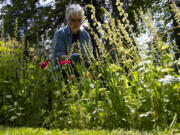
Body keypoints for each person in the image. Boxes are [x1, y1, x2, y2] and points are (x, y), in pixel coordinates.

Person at [50, 4, 92, 80]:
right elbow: (58, 56)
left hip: (82, 72)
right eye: (73, 20)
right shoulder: (60, 34)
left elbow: (89, 55)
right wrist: (74, 59)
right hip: (63, 72)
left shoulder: (85, 35)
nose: (76, 23)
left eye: (79, 20)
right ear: (68, 19)